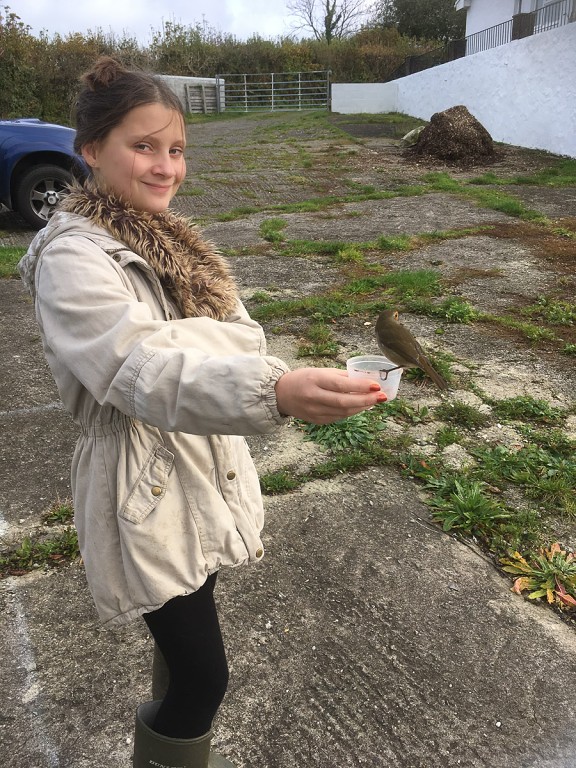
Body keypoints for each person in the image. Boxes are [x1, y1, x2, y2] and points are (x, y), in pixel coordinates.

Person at [18, 56, 387, 768]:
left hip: (201, 456)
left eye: (177, 149)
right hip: (142, 484)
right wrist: (270, 388)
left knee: (188, 634)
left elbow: (244, 339)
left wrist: (194, 351)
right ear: (90, 149)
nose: (166, 167)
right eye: (143, 146)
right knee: (203, 677)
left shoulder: (170, 241)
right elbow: (138, 369)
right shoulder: (72, 258)